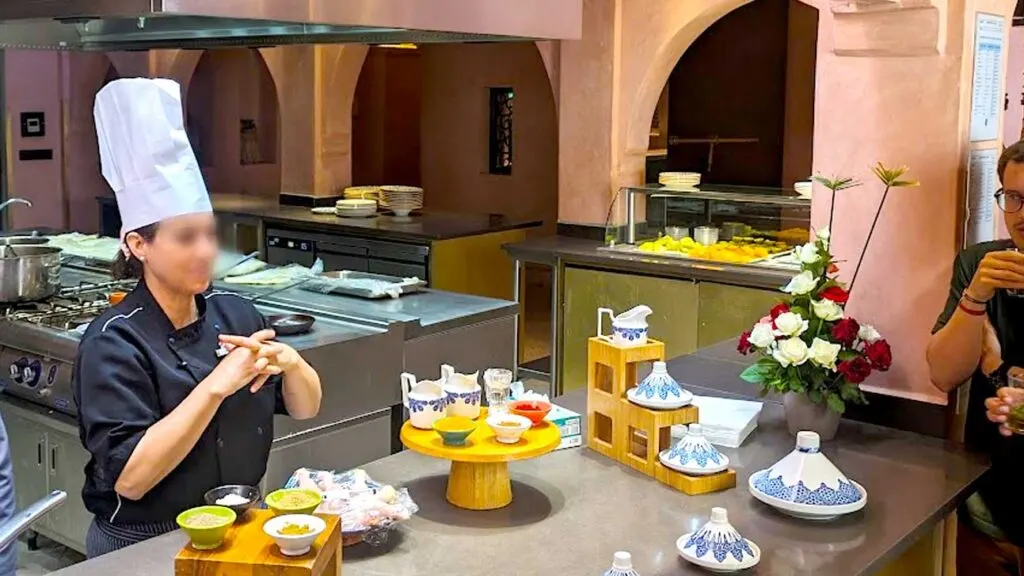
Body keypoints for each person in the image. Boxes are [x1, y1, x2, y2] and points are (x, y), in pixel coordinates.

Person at [74, 78, 322, 558]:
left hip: (242, 523)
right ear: (138, 246)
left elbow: (307, 407)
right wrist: (214, 386)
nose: (206, 251)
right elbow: (131, 480)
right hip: (144, 541)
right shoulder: (114, 343)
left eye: (209, 234)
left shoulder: (236, 312)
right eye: (186, 238)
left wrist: (292, 363)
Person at [928, 140, 1024, 574]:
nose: (1022, 214)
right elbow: (944, 374)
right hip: (990, 504)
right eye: (1014, 198)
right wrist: (975, 297)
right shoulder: (981, 263)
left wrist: (999, 370)